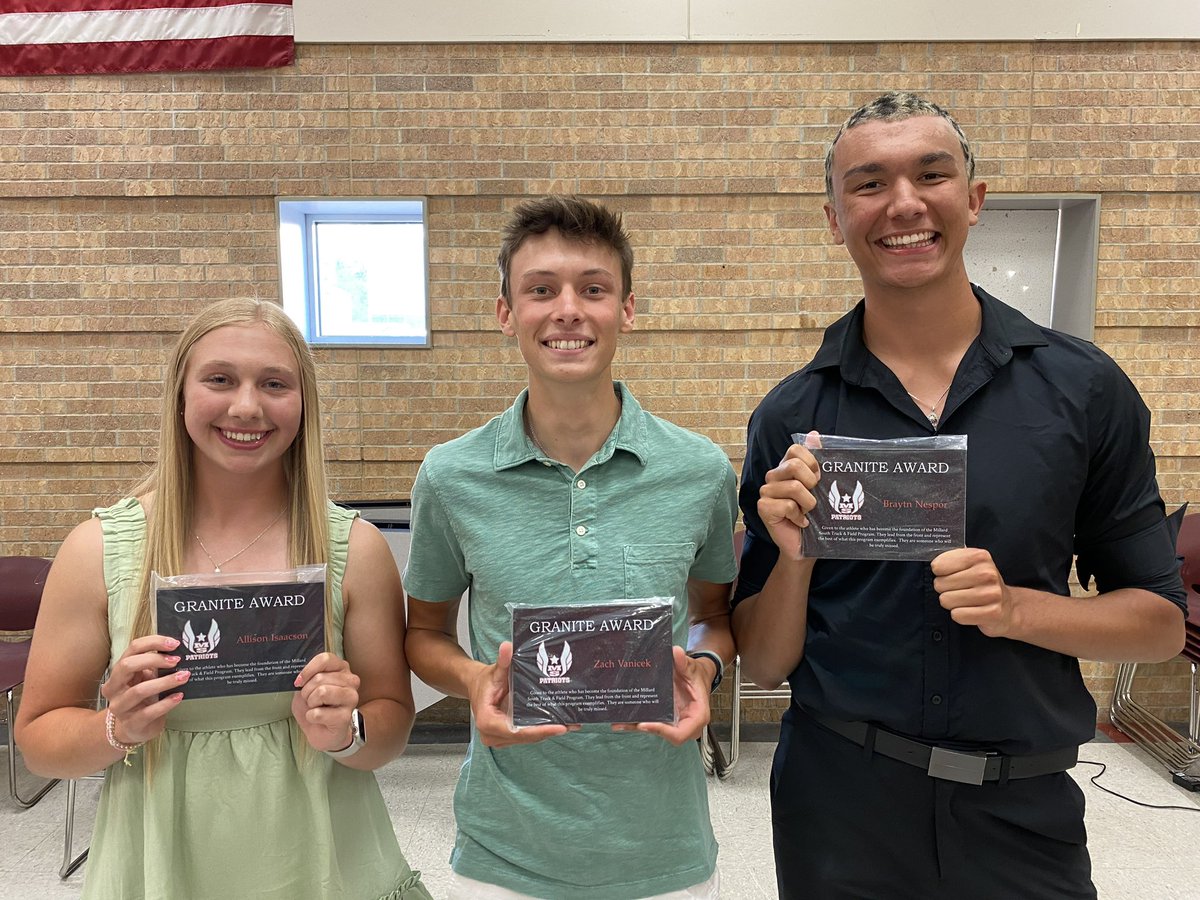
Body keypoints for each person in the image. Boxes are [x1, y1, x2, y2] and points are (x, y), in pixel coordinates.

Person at [732, 92, 1187, 900]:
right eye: (869, 184)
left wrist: (1017, 611)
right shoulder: (793, 418)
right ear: (835, 218)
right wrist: (796, 558)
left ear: (973, 201)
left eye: (930, 174)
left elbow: (1155, 625)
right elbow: (765, 662)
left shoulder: (1084, 392)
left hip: (1024, 813)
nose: (903, 204)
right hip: (839, 811)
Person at [16, 299, 431, 899]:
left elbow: (391, 723)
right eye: (219, 379)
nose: (246, 406)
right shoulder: (98, 550)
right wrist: (116, 727)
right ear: (180, 396)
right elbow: (38, 743)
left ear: (303, 404)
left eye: (274, 384)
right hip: (162, 864)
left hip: (327, 862)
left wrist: (348, 731)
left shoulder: (353, 550)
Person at [403, 195, 738, 899]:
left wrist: (702, 672)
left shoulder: (701, 470)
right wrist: (473, 682)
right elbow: (424, 634)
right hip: (505, 855)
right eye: (540, 290)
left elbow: (714, 616)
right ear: (506, 314)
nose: (568, 310)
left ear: (627, 309)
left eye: (593, 289)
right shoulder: (450, 475)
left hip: (664, 851)